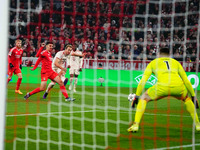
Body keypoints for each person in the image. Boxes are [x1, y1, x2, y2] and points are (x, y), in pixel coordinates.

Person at [128, 47, 200, 132]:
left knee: (143, 98)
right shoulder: (176, 63)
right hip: (178, 87)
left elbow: (143, 81)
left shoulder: (153, 63)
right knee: (187, 99)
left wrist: (137, 96)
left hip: (162, 87)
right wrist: (193, 96)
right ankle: (198, 125)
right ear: (169, 55)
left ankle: (136, 125)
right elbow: (186, 81)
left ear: (159, 54)